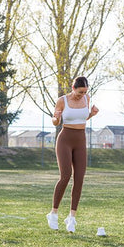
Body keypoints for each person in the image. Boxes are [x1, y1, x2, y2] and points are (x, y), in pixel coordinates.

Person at [46, 76, 99, 233]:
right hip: (65, 139)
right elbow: (56, 121)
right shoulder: (62, 100)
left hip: (81, 139)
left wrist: (92, 114)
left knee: (80, 178)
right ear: (73, 88)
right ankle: (53, 213)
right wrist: (56, 117)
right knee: (66, 175)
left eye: (85, 92)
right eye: (79, 92)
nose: (82, 95)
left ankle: (72, 217)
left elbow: (82, 118)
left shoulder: (86, 98)